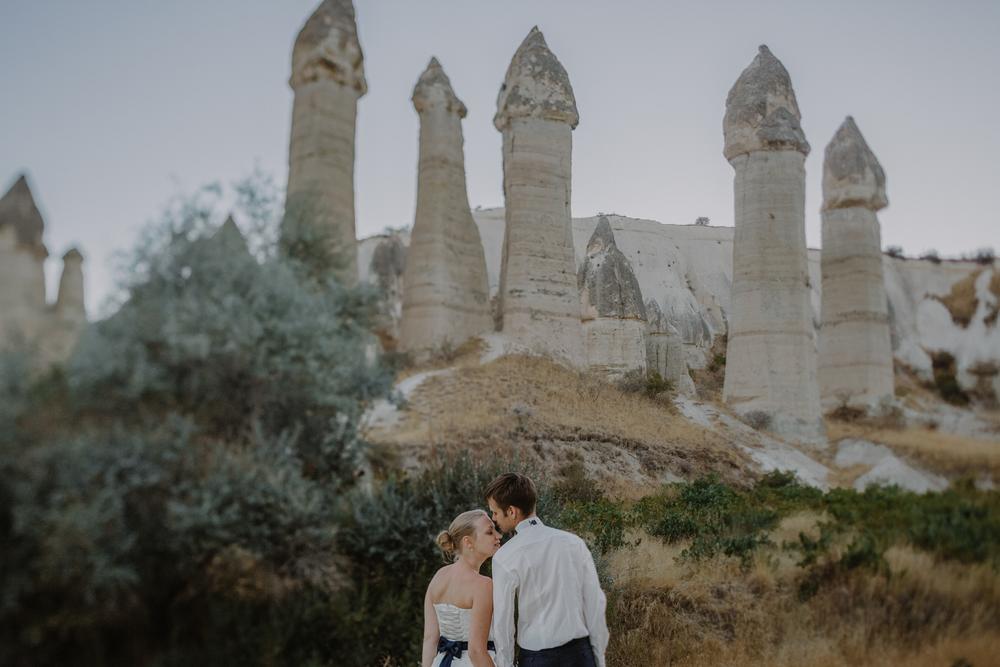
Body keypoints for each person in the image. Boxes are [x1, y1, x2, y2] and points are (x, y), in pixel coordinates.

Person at [485, 473, 608, 667]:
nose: (494, 519)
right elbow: (595, 604)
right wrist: (598, 659)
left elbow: (503, 625)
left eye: (495, 512)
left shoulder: (505, 556)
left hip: (538, 659)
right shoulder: (573, 542)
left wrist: (506, 665)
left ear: (511, 511)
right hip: (580, 654)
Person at [423, 509, 502, 667]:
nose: (498, 536)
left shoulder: (439, 576)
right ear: (468, 542)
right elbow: (476, 652)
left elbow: (430, 638)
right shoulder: (483, 585)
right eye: (489, 532)